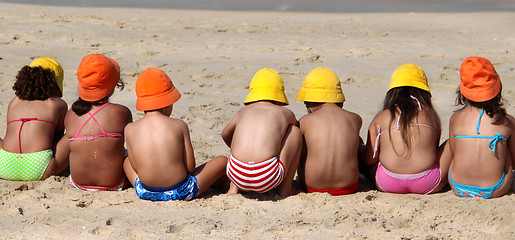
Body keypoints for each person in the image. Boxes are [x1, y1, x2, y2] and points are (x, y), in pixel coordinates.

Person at [123, 68, 228, 201]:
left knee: (126, 161)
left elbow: (136, 167)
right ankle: (220, 185)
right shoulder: (179, 125)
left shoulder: (130, 129)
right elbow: (190, 168)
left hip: (146, 191)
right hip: (182, 191)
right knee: (222, 161)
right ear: (166, 104)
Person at [363, 63, 449, 194]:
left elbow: (370, 158)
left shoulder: (382, 117)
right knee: (452, 142)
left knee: (374, 159)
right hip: (427, 182)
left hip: (387, 182)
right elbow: (433, 150)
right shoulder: (430, 115)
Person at [222, 67, 302, 197]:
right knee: (295, 132)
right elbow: (294, 126)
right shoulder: (285, 113)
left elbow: (225, 134)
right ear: (279, 98)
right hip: (267, 176)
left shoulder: (242, 111)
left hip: (236, 173)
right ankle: (285, 188)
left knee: (239, 133)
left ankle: (233, 188)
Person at [445, 57, 514, 199]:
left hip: (457, 186)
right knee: (503, 142)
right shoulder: (508, 121)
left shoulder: (456, 118)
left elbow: (454, 153)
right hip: (496, 188)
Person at [64, 54, 132, 191]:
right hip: (115, 183)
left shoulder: (71, 114)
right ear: (112, 86)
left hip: (79, 182)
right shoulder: (122, 112)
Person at [296, 67, 362, 195]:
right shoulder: (355, 119)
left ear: (309, 103)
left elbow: (302, 157)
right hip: (349, 186)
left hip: (313, 187)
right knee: (356, 141)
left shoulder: (304, 121)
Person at [0, 57, 68, 181]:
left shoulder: (14, 102)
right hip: (38, 167)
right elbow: (57, 138)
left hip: (4, 165)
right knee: (72, 134)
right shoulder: (57, 104)